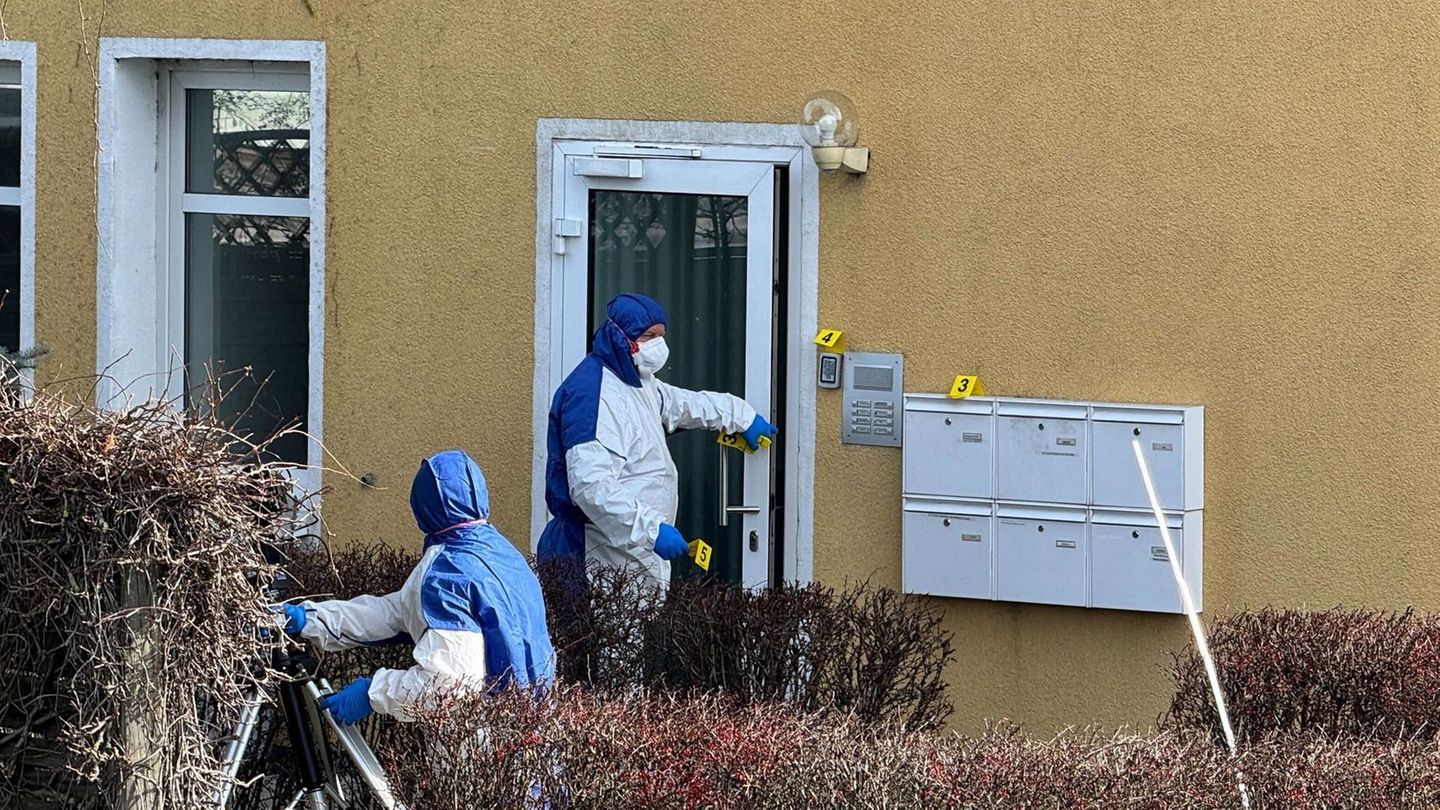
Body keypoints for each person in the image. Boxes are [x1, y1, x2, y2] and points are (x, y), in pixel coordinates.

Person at [279, 450, 555, 724]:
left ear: (421, 508)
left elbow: (447, 688)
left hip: (482, 739)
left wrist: (374, 692)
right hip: (535, 729)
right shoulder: (505, 555)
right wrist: (310, 619)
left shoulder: (445, 575)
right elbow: (397, 612)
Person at [536, 293, 777, 587]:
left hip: (628, 550)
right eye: (649, 336)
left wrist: (741, 416)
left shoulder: (637, 381)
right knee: (602, 633)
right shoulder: (593, 395)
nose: (658, 345)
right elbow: (590, 485)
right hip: (595, 554)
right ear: (619, 336)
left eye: (661, 335)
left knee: (628, 631)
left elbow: (682, 404)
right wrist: (651, 530)